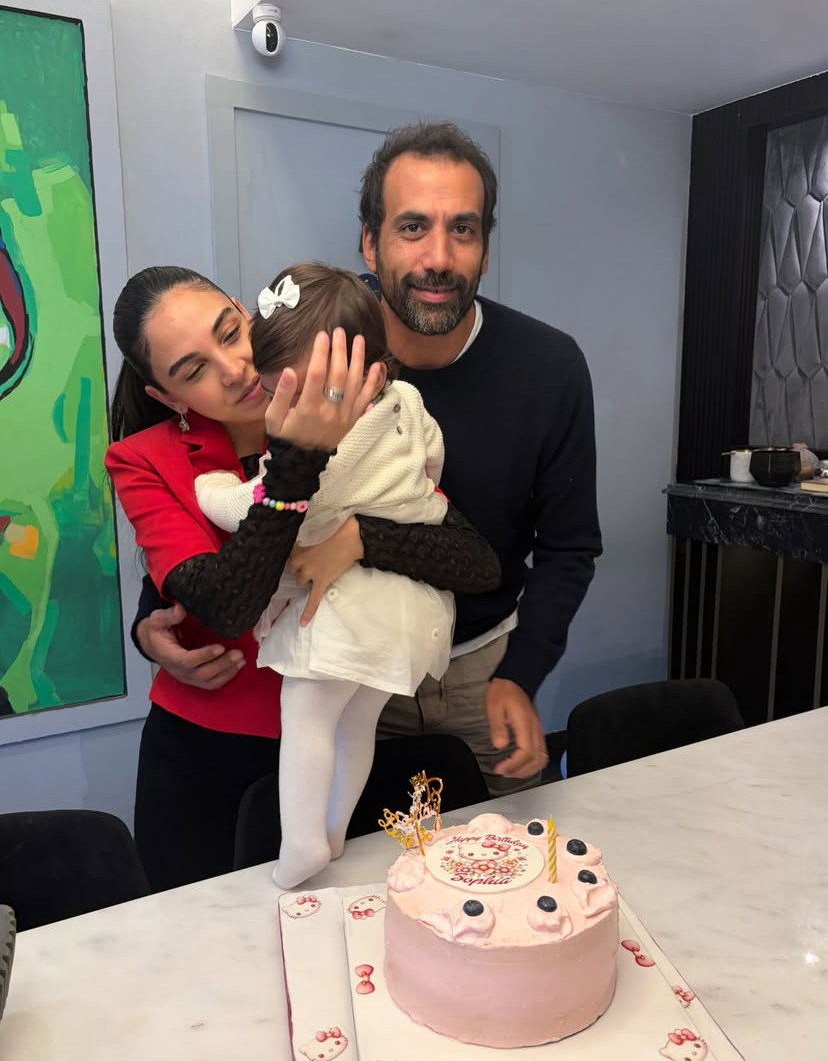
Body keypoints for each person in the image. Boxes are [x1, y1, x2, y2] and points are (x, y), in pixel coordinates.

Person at [135, 120, 602, 796]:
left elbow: (569, 547)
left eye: (463, 229)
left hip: (483, 670)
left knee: (501, 849)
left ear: (485, 248)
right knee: (353, 847)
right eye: (412, 227)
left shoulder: (548, 367)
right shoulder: (314, 330)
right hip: (343, 664)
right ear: (369, 242)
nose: (439, 256)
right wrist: (152, 612)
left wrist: (521, 674)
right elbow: (230, 481)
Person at [104, 265, 500, 892]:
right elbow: (225, 602)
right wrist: (295, 464)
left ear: (248, 312)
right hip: (208, 752)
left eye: (229, 332)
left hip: (343, 726)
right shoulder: (144, 460)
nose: (234, 368)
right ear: (168, 397)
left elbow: (474, 560)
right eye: (193, 370)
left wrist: (357, 539)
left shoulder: (358, 410)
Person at [193, 262, 468, 889]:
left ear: (361, 378)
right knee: (357, 723)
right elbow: (433, 454)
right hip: (412, 608)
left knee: (307, 717)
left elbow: (256, 507)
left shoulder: (330, 449)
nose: (284, 411)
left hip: (349, 608)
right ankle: (336, 831)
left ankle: (301, 842)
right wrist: (410, 489)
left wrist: (212, 488)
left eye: (296, 394)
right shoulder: (405, 400)